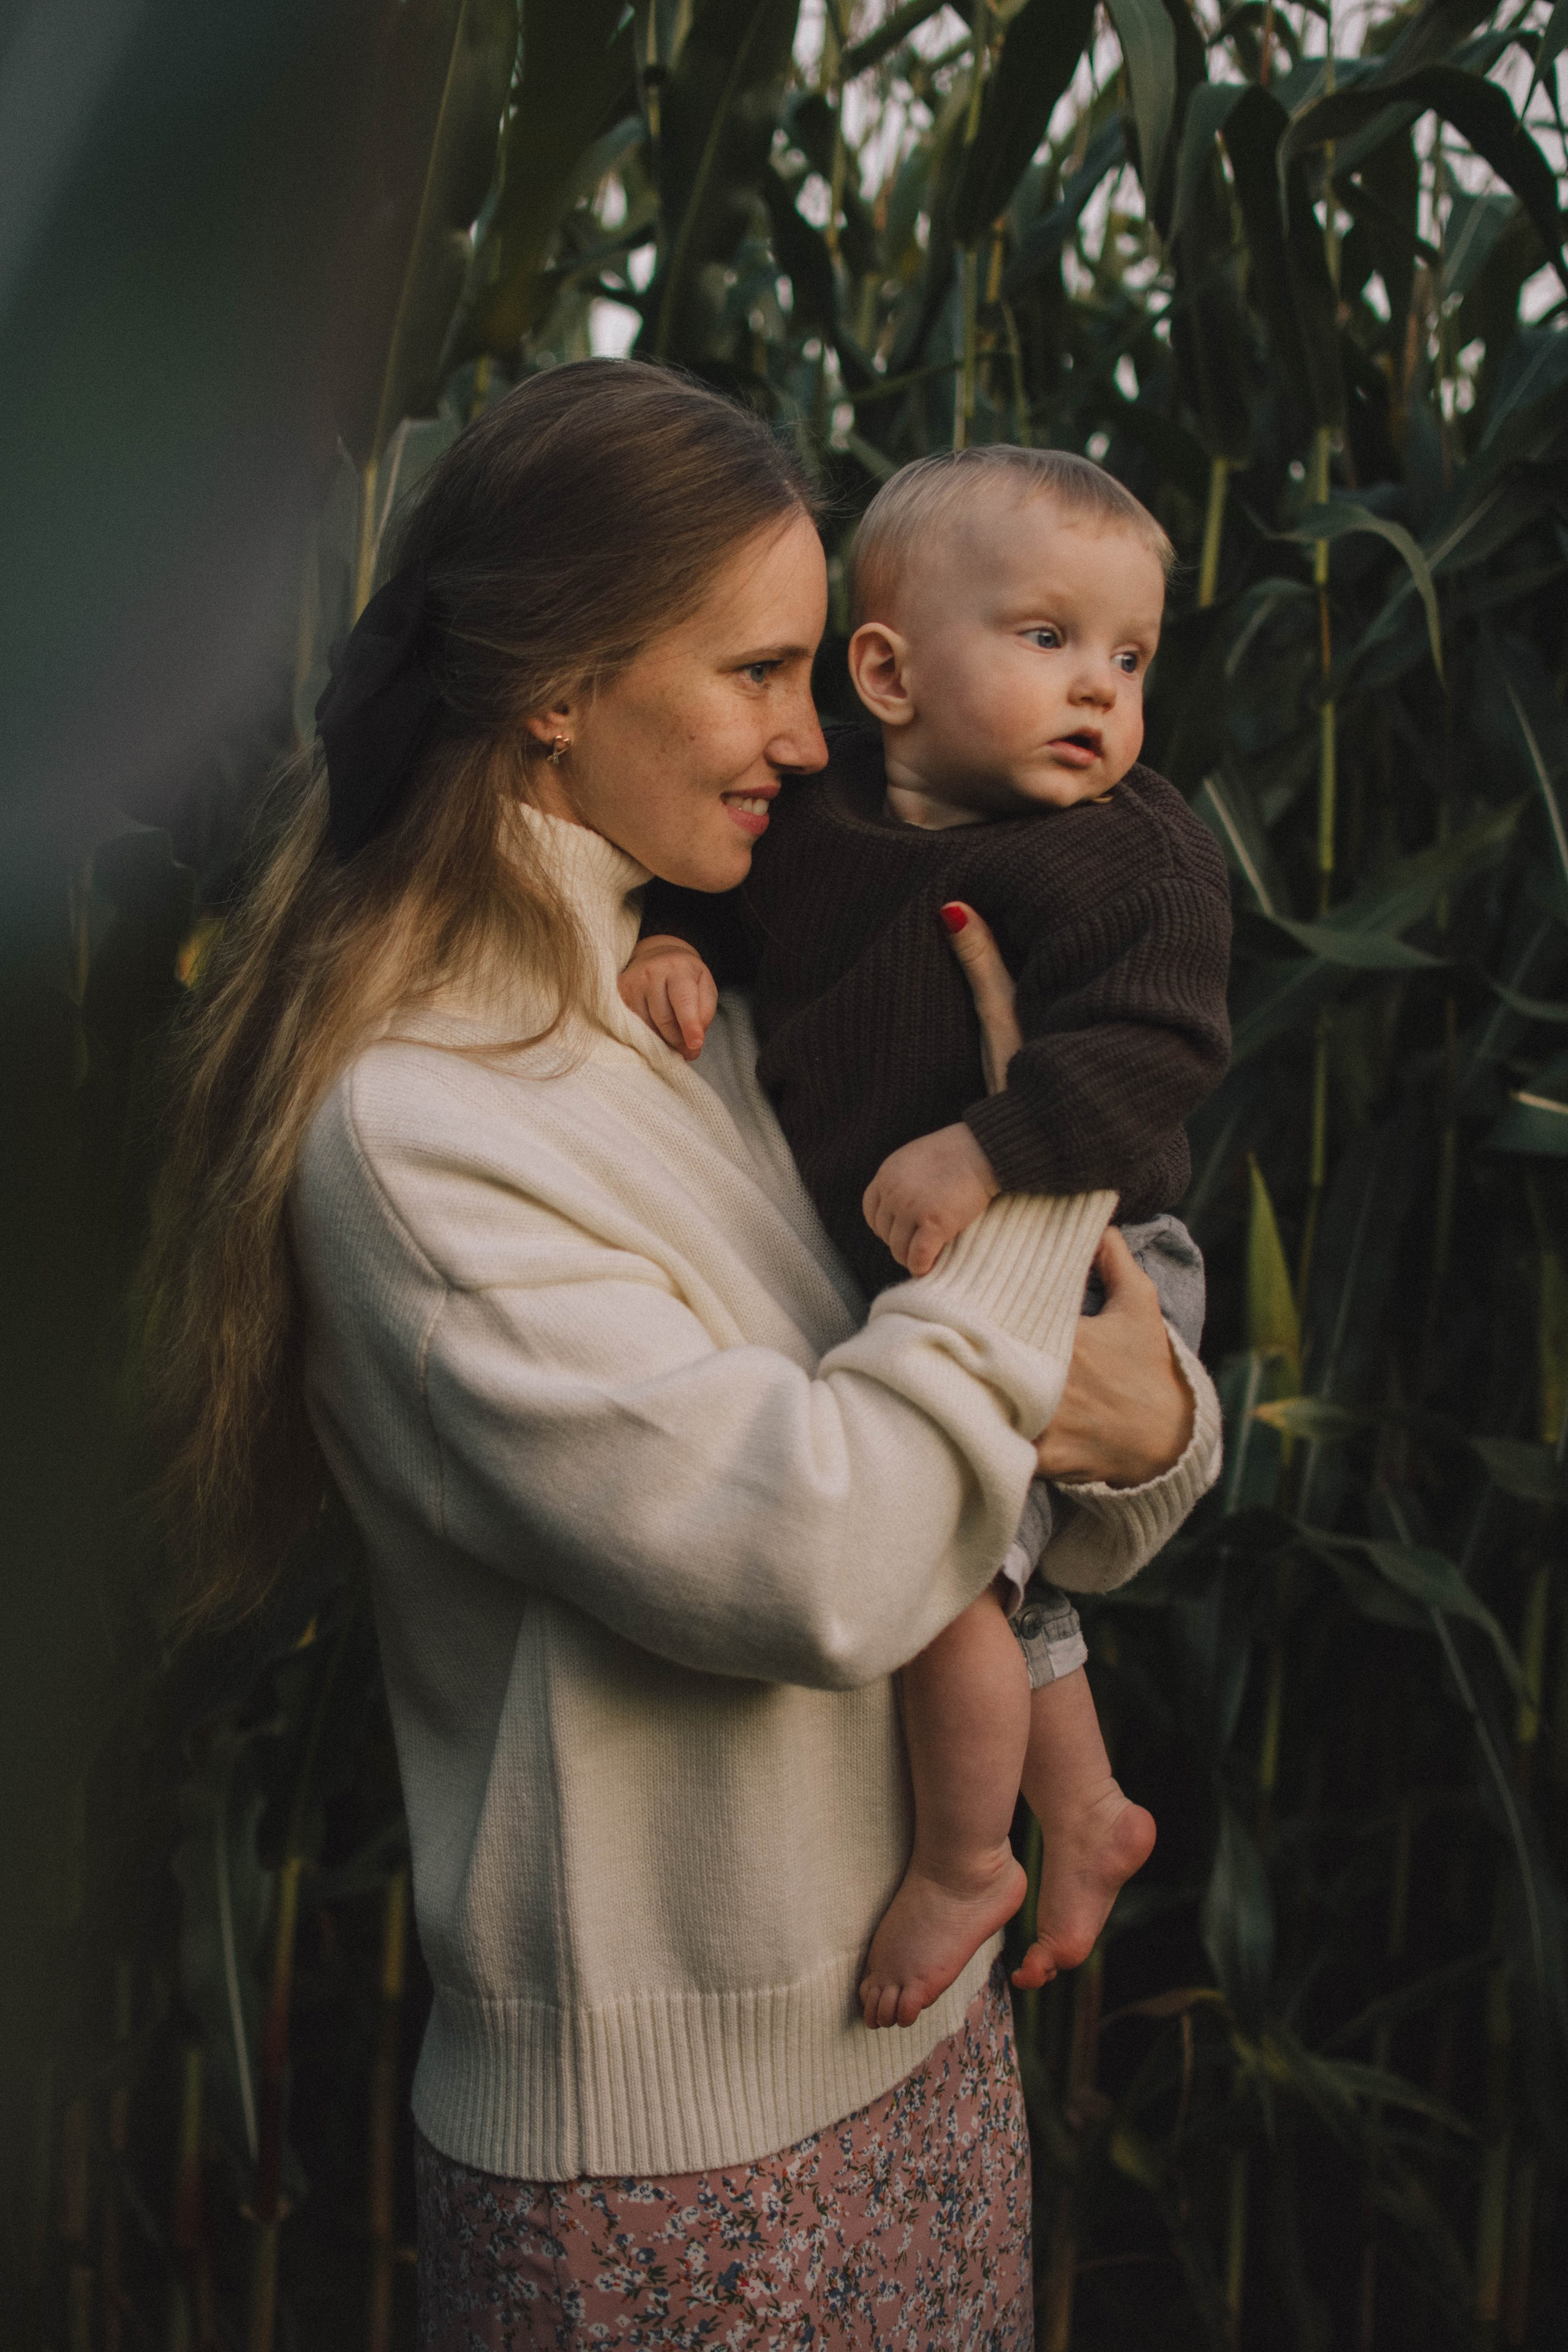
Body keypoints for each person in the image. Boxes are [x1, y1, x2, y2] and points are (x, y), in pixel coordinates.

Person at [143, 363, 1221, 2349]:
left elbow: (1043, 1481)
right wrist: (1043, 1187)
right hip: (661, 2174)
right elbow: (829, 1554)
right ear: (558, 689)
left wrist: (1153, 1429)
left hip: (918, 2064)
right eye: (756, 676)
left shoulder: (707, 999)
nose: (807, 741)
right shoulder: (423, 1130)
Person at [621, 446, 1231, 2031]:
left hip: (1101, 1240)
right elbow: (740, 909)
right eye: (1050, 640)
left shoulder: (1126, 853)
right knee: (1006, 1562)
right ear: (885, 673)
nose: (1102, 689)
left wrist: (993, 1145)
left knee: (948, 1574)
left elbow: (1160, 1048)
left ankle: (972, 1857)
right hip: (940, 1265)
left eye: (1132, 657)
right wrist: (679, 946)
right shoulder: (816, 818)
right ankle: (1086, 1808)